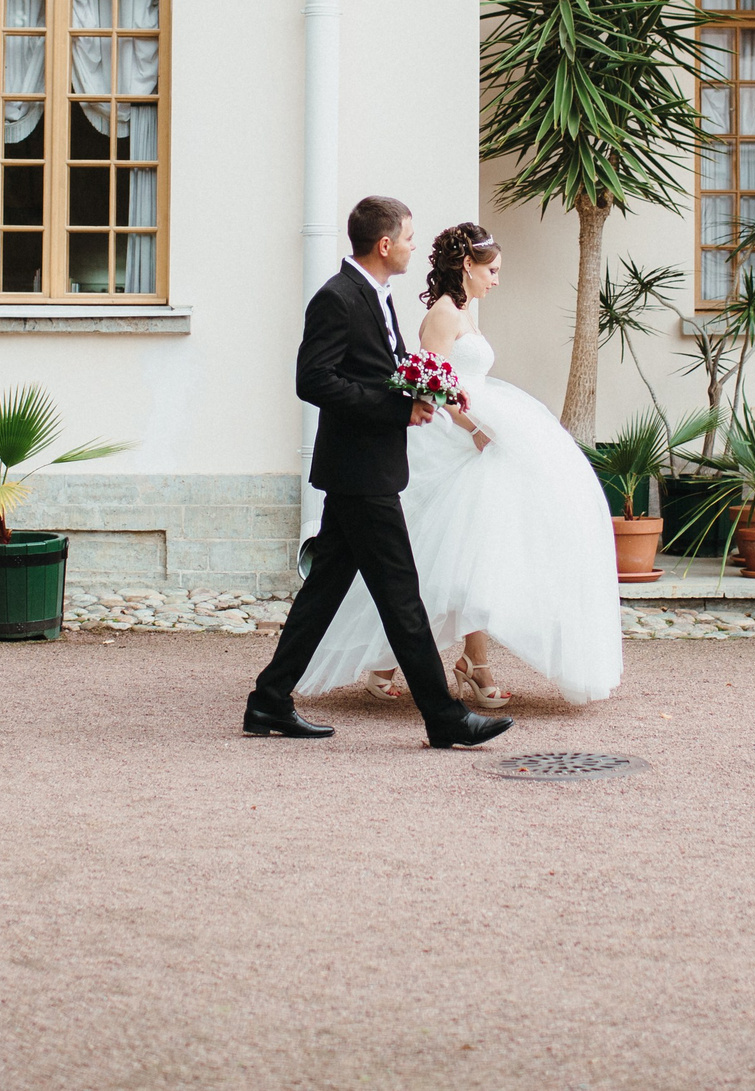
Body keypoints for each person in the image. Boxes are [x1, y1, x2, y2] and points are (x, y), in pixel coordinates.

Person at [297, 223, 623, 709]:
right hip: (453, 445)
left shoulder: (467, 310)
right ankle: (448, 667)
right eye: (491, 270)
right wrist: (472, 427)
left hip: (479, 435)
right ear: (467, 266)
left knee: (467, 556)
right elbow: (432, 384)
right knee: (442, 556)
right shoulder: (442, 315)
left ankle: (431, 663)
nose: (496, 279)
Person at [244, 197, 512, 749]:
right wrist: (395, 407)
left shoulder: (377, 295)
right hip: (359, 471)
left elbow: (377, 370)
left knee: (323, 593)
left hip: (368, 467)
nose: (416, 246)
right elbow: (312, 381)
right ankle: (445, 717)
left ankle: (269, 700)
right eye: (409, 237)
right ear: (385, 244)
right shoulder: (337, 298)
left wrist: (416, 395)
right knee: (402, 597)